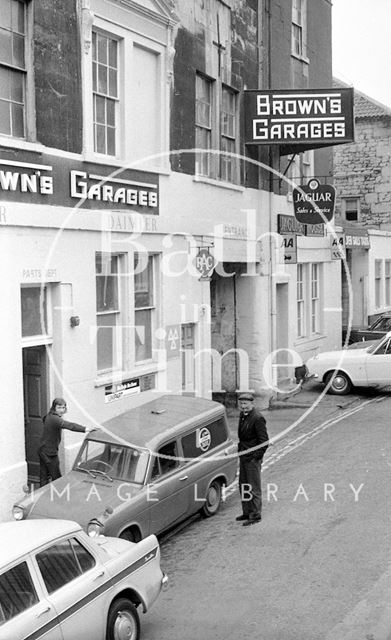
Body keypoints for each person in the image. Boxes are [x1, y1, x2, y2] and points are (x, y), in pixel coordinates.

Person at [38, 398, 93, 487]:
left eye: (63, 408)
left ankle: (41, 495)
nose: (62, 410)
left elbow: (44, 421)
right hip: (49, 453)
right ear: (54, 408)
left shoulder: (49, 416)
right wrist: (85, 429)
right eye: (59, 408)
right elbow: (70, 426)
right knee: (57, 478)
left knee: (44, 476)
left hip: (42, 450)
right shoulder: (55, 419)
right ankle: (59, 496)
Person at [236, 392, 269, 527]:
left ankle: (255, 515)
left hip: (252, 459)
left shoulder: (257, 418)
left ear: (252, 404)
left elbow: (264, 441)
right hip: (244, 455)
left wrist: (256, 457)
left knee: (253, 487)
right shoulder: (243, 416)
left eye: (245, 404)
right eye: (241, 404)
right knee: (243, 485)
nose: (243, 406)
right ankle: (247, 512)